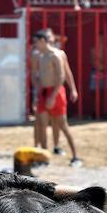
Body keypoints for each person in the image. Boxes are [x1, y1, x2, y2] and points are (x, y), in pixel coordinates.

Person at [32, 30, 82, 166]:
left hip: (56, 92)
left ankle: (75, 156)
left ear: (43, 41)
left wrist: (54, 96)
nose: (34, 44)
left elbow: (61, 76)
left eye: (36, 41)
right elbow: (35, 75)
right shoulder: (39, 56)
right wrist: (37, 92)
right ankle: (43, 157)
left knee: (62, 125)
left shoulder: (56, 55)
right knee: (42, 124)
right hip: (43, 92)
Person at [89, 33, 107, 113]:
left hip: (106, 71)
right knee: (94, 91)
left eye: (102, 38)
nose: (101, 40)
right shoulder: (93, 49)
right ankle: (94, 111)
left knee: (106, 92)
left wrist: (103, 68)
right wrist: (98, 68)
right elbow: (92, 60)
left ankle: (104, 111)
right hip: (95, 70)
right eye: (99, 38)